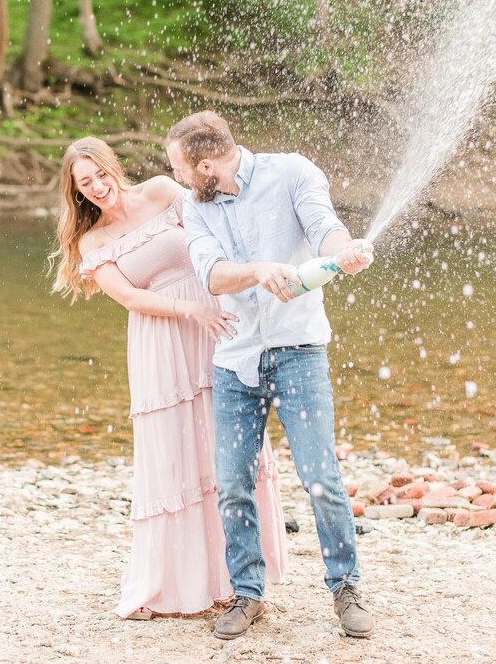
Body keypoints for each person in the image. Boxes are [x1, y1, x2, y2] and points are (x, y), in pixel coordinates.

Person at [49, 136, 289, 620]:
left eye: (100, 174)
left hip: (217, 322)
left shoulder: (161, 191)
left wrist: (241, 281)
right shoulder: (92, 240)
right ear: (75, 191)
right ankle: (179, 583)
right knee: (176, 454)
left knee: (230, 441)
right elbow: (132, 299)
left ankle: (238, 579)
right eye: (85, 183)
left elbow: (215, 229)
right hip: (162, 340)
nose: (97, 187)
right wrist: (188, 310)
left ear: (112, 167)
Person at [163, 111, 377, 641]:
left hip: (299, 350)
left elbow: (325, 229)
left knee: (321, 478)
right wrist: (260, 270)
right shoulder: (195, 207)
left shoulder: (293, 172)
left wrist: (343, 253)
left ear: (206, 164)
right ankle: (248, 593)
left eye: (182, 169)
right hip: (235, 358)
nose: (181, 180)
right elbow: (211, 275)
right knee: (233, 483)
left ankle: (345, 587)